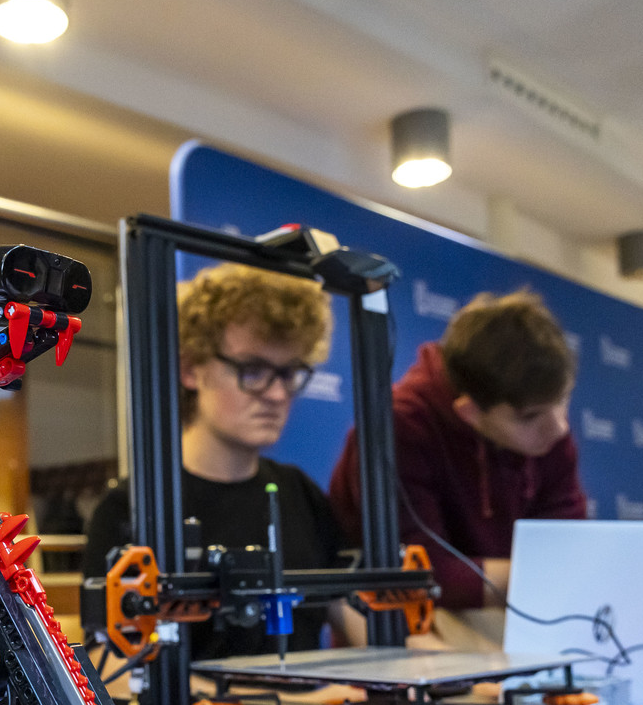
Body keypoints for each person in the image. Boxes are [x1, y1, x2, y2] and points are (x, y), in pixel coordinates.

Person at [84, 262, 361, 660]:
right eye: (253, 370)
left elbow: (355, 616)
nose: (277, 395)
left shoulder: (300, 494)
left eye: (288, 373)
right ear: (190, 369)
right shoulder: (130, 508)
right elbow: (108, 667)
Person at [329, 289, 586, 611]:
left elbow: (566, 546)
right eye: (529, 417)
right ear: (469, 412)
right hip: (404, 630)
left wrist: (557, 573)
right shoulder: (397, 430)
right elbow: (417, 574)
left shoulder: (545, 427)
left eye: (563, 400)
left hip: (513, 622)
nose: (560, 427)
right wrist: (544, 577)